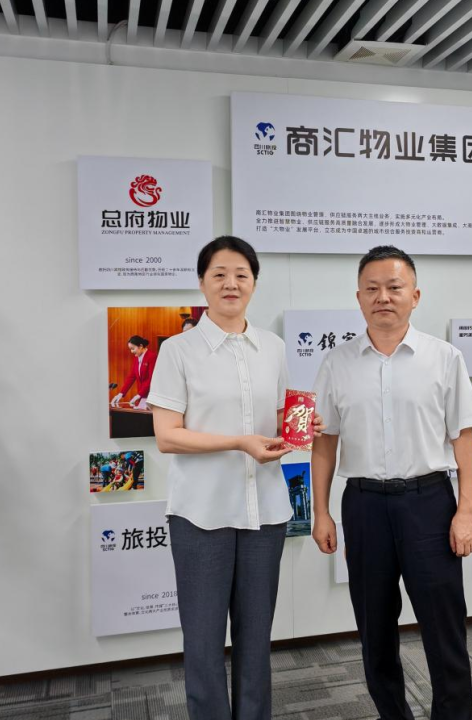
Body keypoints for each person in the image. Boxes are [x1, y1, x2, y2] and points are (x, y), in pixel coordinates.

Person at [148, 236, 322, 720]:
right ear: (202, 283)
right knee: (204, 642)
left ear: (254, 284)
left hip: (264, 512)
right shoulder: (178, 350)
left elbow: (276, 418)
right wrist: (239, 442)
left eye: (241, 274)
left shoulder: (273, 347)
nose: (231, 283)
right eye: (219, 274)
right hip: (201, 514)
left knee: (255, 639)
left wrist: (301, 426)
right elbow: (167, 436)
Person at [311, 245, 472, 720]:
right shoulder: (336, 363)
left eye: (393, 287)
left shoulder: (444, 358)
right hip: (364, 506)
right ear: (359, 297)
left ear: (415, 295)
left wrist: (466, 512)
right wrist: (321, 512)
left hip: (429, 504)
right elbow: (324, 443)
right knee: (375, 629)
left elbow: (464, 440)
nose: (382, 297)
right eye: (372, 289)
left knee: (444, 628)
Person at [110, 335, 156, 409]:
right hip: (142, 396)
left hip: (150, 396)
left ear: (140, 346)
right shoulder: (137, 357)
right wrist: (121, 393)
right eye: (130, 349)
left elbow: (151, 379)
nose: (131, 351)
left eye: (133, 348)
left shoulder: (152, 356)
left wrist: (139, 395)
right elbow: (131, 377)